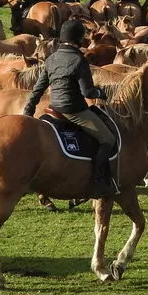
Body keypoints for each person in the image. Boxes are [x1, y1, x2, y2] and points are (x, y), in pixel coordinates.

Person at [22, 19, 120, 197]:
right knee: (107, 139)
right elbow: (87, 91)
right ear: (79, 39)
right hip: (75, 111)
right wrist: (100, 93)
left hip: (54, 109)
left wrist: (28, 110)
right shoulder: (79, 60)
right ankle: (98, 180)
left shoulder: (51, 59)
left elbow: (38, 88)